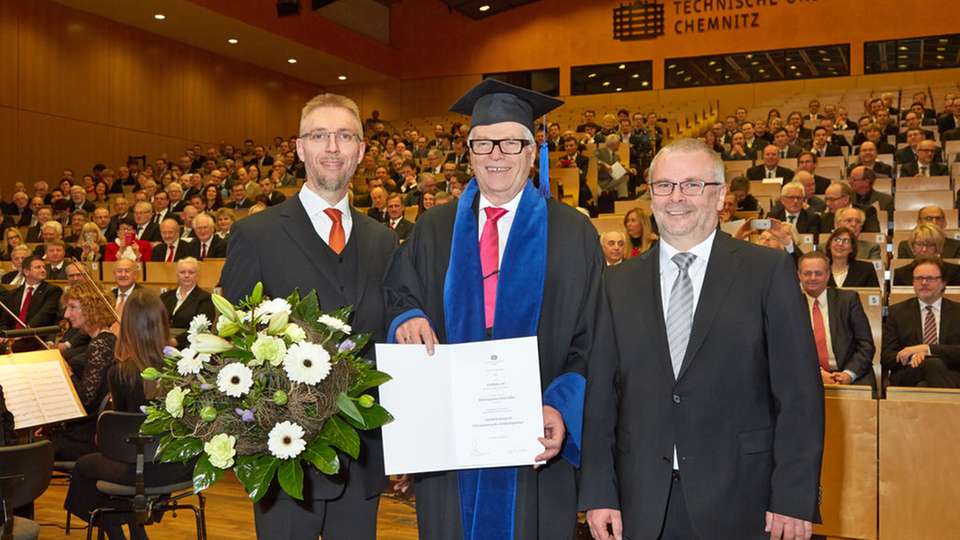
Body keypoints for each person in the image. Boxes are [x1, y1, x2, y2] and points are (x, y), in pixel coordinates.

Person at [384, 79, 600, 540]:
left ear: (531, 151)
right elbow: (399, 295)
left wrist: (560, 407)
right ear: (469, 152)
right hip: (451, 442)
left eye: (510, 143)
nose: (496, 154)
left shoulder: (573, 234)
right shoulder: (433, 228)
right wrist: (408, 318)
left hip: (536, 438)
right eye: (483, 143)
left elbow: (593, 334)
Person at [581, 138, 823, 540]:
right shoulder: (616, 283)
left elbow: (798, 395)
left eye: (692, 185)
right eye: (664, 186)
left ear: (721, 195)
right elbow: (602, 399)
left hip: (744, 499)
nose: (676, 198)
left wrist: (793, 497)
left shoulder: (768, 272)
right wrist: (599, 492)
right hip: (641, 502)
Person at [221, 93, 397, 540]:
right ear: (300, 148)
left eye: (345, 136)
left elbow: (391, 347)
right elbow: (232, 349)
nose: (332, 147)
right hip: (284, 464)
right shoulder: (254, 234)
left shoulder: (384, 241)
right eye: (320, 135)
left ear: (361, 150)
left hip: (362, 460)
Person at [63, 288, 194, 540]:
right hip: (179, 466)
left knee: (84, 468)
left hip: (139, 468)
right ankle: (136, 530)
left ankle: (119, 534)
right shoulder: (182, 367)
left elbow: (116, 440)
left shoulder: (121, 372)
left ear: (128, 326)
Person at [47, 280, 117, 461]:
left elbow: (86, 399)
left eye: (72, 307)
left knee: (33, 449)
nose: (66, 314)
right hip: (87, 426)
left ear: (90, 308)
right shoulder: (101, 340)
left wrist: (67, 372)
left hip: (87, 434)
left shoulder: (100, 344)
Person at [798, 251, 877, 390]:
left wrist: (848, 374)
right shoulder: (792, 305)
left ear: (828, 275)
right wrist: (818, 373)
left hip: (848, 371)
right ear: (799, 275)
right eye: (807, 273)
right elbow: (788, 349)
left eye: (818, 273)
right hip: (807, 373)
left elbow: (866, 345)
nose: (812, 278)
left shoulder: (848, 300)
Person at [882, 257, 960, 388]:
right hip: (909, 372)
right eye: (918, 278)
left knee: (928, 376)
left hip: (950, 372)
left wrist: (927, 349)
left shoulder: (957, 311)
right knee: (931, 364)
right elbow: (887, 357)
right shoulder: (897, 312)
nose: (924, 283)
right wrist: (914, 356)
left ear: (942, 283)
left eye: (930, 278)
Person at [0, 256, 63, 352]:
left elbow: (43, 316)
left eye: (43, 267)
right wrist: (3, 335)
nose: (43, 270)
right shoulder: (13, 293)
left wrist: (19, 335)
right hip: (11, 337)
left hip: (35, 336)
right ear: (26, 272)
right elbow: (4, 320)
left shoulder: (53, 291)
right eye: (38, 267)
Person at [160, 257, 215, 348]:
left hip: (189, 345)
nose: (186, 275)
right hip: (161, 342)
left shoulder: (205, 298)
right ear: (177, 275)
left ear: (197, 276)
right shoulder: (165, 297)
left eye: (191, 272)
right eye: (182, 272)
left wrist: (175, 341)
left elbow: (203, 327)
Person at [892, 224, 960, 286]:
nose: (924, 249)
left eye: (930, 245)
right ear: (912, 247)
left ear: (939, 247)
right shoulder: (901, 274)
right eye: (919, 244)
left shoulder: (955, 272)